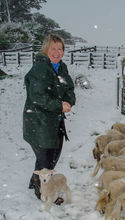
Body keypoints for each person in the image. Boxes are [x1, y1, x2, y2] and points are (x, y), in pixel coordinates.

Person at [23, 34, 76, 204]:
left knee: (51, 156)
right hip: (39, 121)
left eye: (60, 48)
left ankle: (35, 179)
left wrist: (68, 101)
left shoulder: (61, 68)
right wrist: (59, 105)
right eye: (53, 48)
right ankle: (43, 192)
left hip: (54, 120)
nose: (56, 52)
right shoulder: (40, 68)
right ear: (45, 49)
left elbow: (69, 88)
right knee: (47, 160)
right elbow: (37, 96)